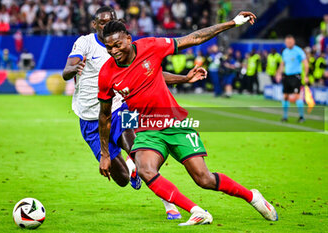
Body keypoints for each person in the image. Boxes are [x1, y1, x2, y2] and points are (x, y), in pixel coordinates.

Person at [98, 12, 278, 226]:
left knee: (204, 179)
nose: (114, 51)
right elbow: (105, 115)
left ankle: (253, 197)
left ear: (128, 38)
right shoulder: (107, 74)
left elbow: (194, 38)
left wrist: (232, 23)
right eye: (109, 48)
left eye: (117, 45)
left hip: (175, 122)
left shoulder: (151, 46)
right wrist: (105, 154)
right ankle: (197, 211)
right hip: (147, 128)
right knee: (145, 170)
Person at [62, 6, 207, 220]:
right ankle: (131, 170)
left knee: (138, 153)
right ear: (94, 25)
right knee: (120, 178)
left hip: (121, 108)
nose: (104, 25)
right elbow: (67, 70)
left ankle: (169, 204)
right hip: (90, 119)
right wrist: (74, 69)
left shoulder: (124, 47)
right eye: (101, 22)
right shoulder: (85, 43)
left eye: (109, 21)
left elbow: (152, 73)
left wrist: (183, 78)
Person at [276, 35, 309, 123]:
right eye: (286, 42)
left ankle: (301, 117)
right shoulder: (285, 52)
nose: (288, 44)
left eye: (290, 42)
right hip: (287, 76)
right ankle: (285, 116)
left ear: (293, 42)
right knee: (285, 96)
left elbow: (306, 64)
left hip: (296, 76)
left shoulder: (299, 51)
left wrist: (305, 76)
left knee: (297, 96)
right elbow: (282, 64)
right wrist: (279, 73)